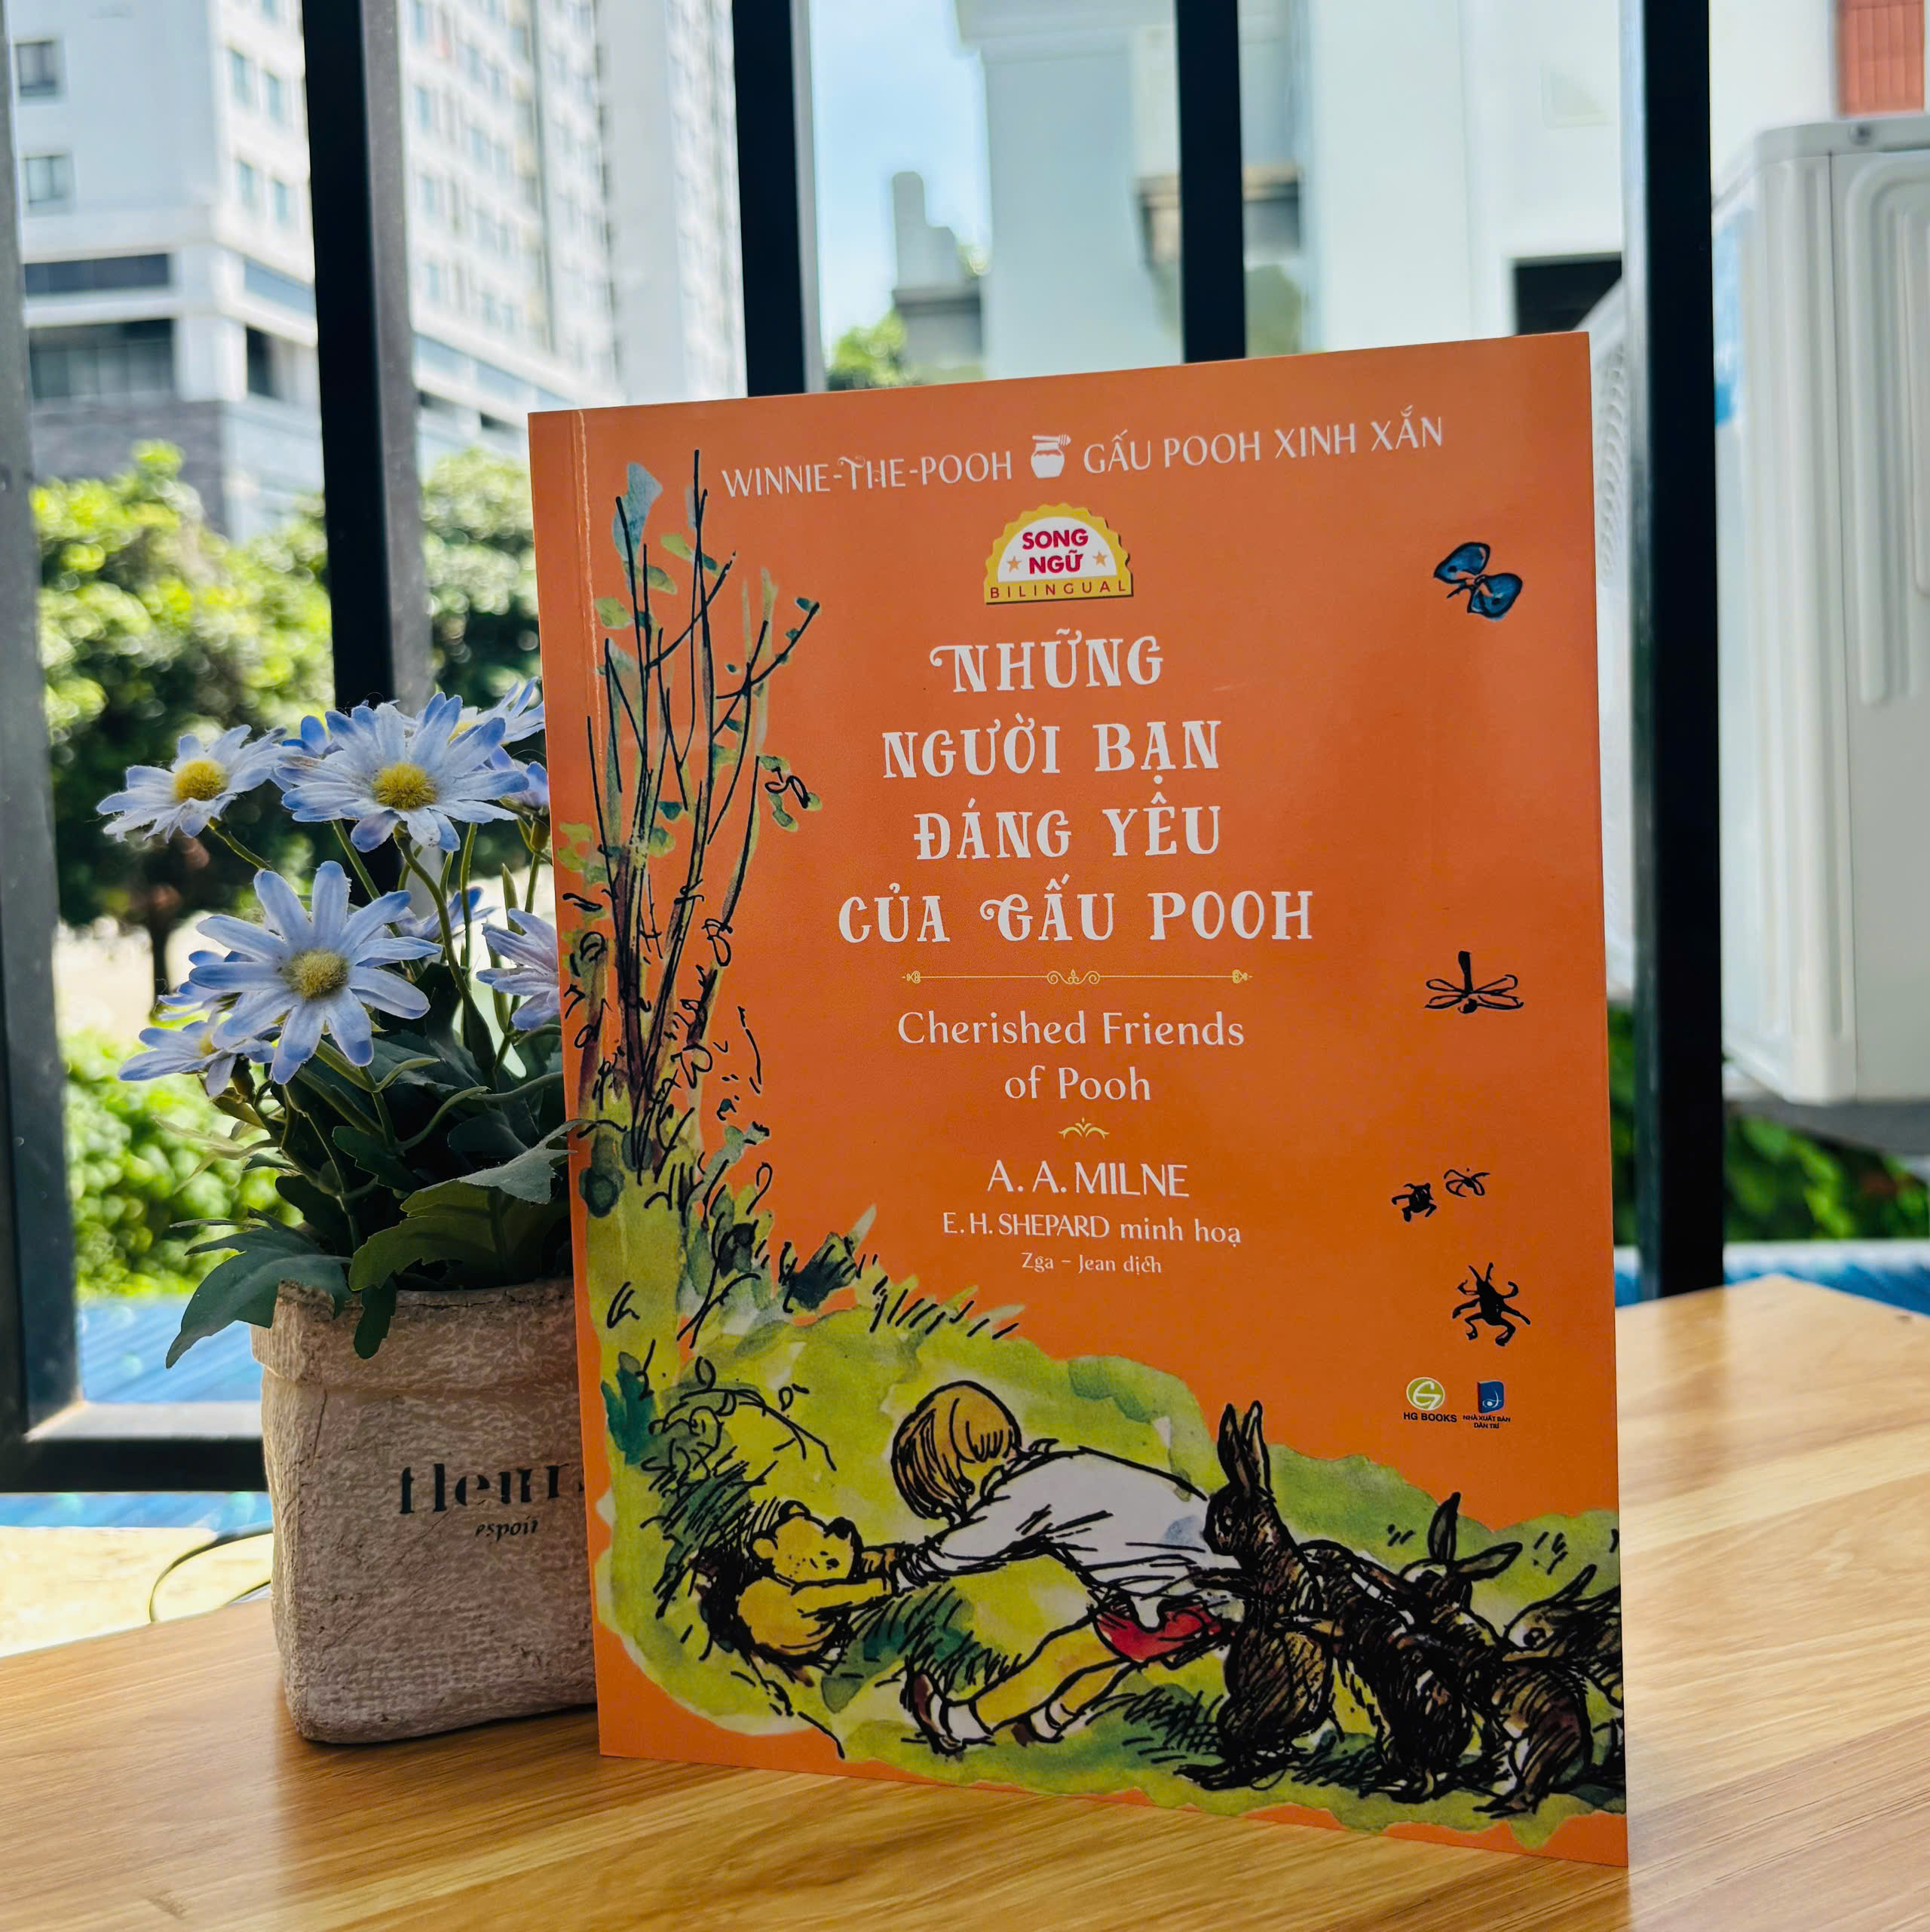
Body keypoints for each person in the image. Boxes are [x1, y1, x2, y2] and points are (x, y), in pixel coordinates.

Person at [890, 1381, 1231, 1752]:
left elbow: (970, 1546)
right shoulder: (1057, 1467)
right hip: (1205, 1585)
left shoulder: (1026, 1492)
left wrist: (906, 1571)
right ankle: (1049, 1723)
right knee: (1106, 1656)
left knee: (1062, 1657)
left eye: (956, 1494)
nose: (962, 1509)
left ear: (967, 1466)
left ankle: (958, 1724)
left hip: (1177, 1595)